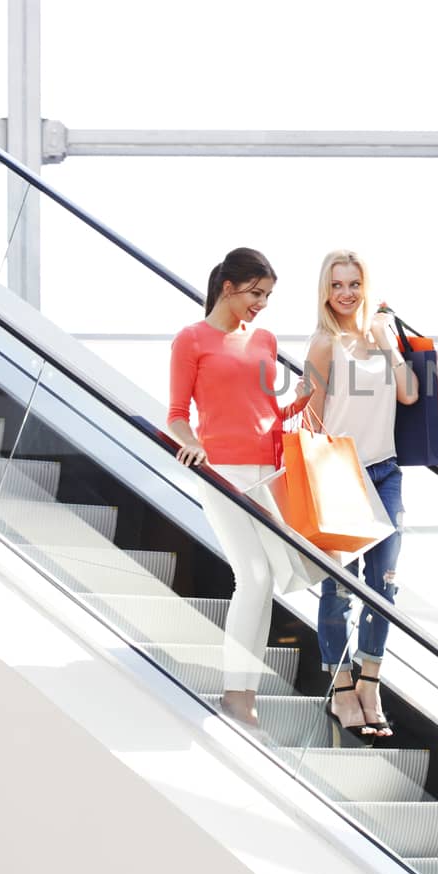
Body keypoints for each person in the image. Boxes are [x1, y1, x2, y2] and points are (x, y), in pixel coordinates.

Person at [168, 247, 306, 730]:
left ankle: (245, 690)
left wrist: (304, 401)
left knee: (273, 581)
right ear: (228, 288)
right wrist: (194, 447)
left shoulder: (264, 339)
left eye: (267, 295)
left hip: (268, 472)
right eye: (256, 293)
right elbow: (176, 417)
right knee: (253, 577)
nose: (262, 304)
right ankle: (237, 694)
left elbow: (267, 415)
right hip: (221, 472)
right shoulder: (191, 340)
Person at [302, 250, 417, 738]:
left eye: (353, 284)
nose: (345, 294)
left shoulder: (380, 337)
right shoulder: (325, 342)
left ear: (365, 287)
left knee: (384, 584)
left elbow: (409, 394)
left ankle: (371, 680)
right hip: (339, 472)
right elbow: (311, 413)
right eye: (337, 285)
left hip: (386, 471)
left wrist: (388, 342)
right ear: (326, 291)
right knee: (340, 586)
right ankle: (341, 685)